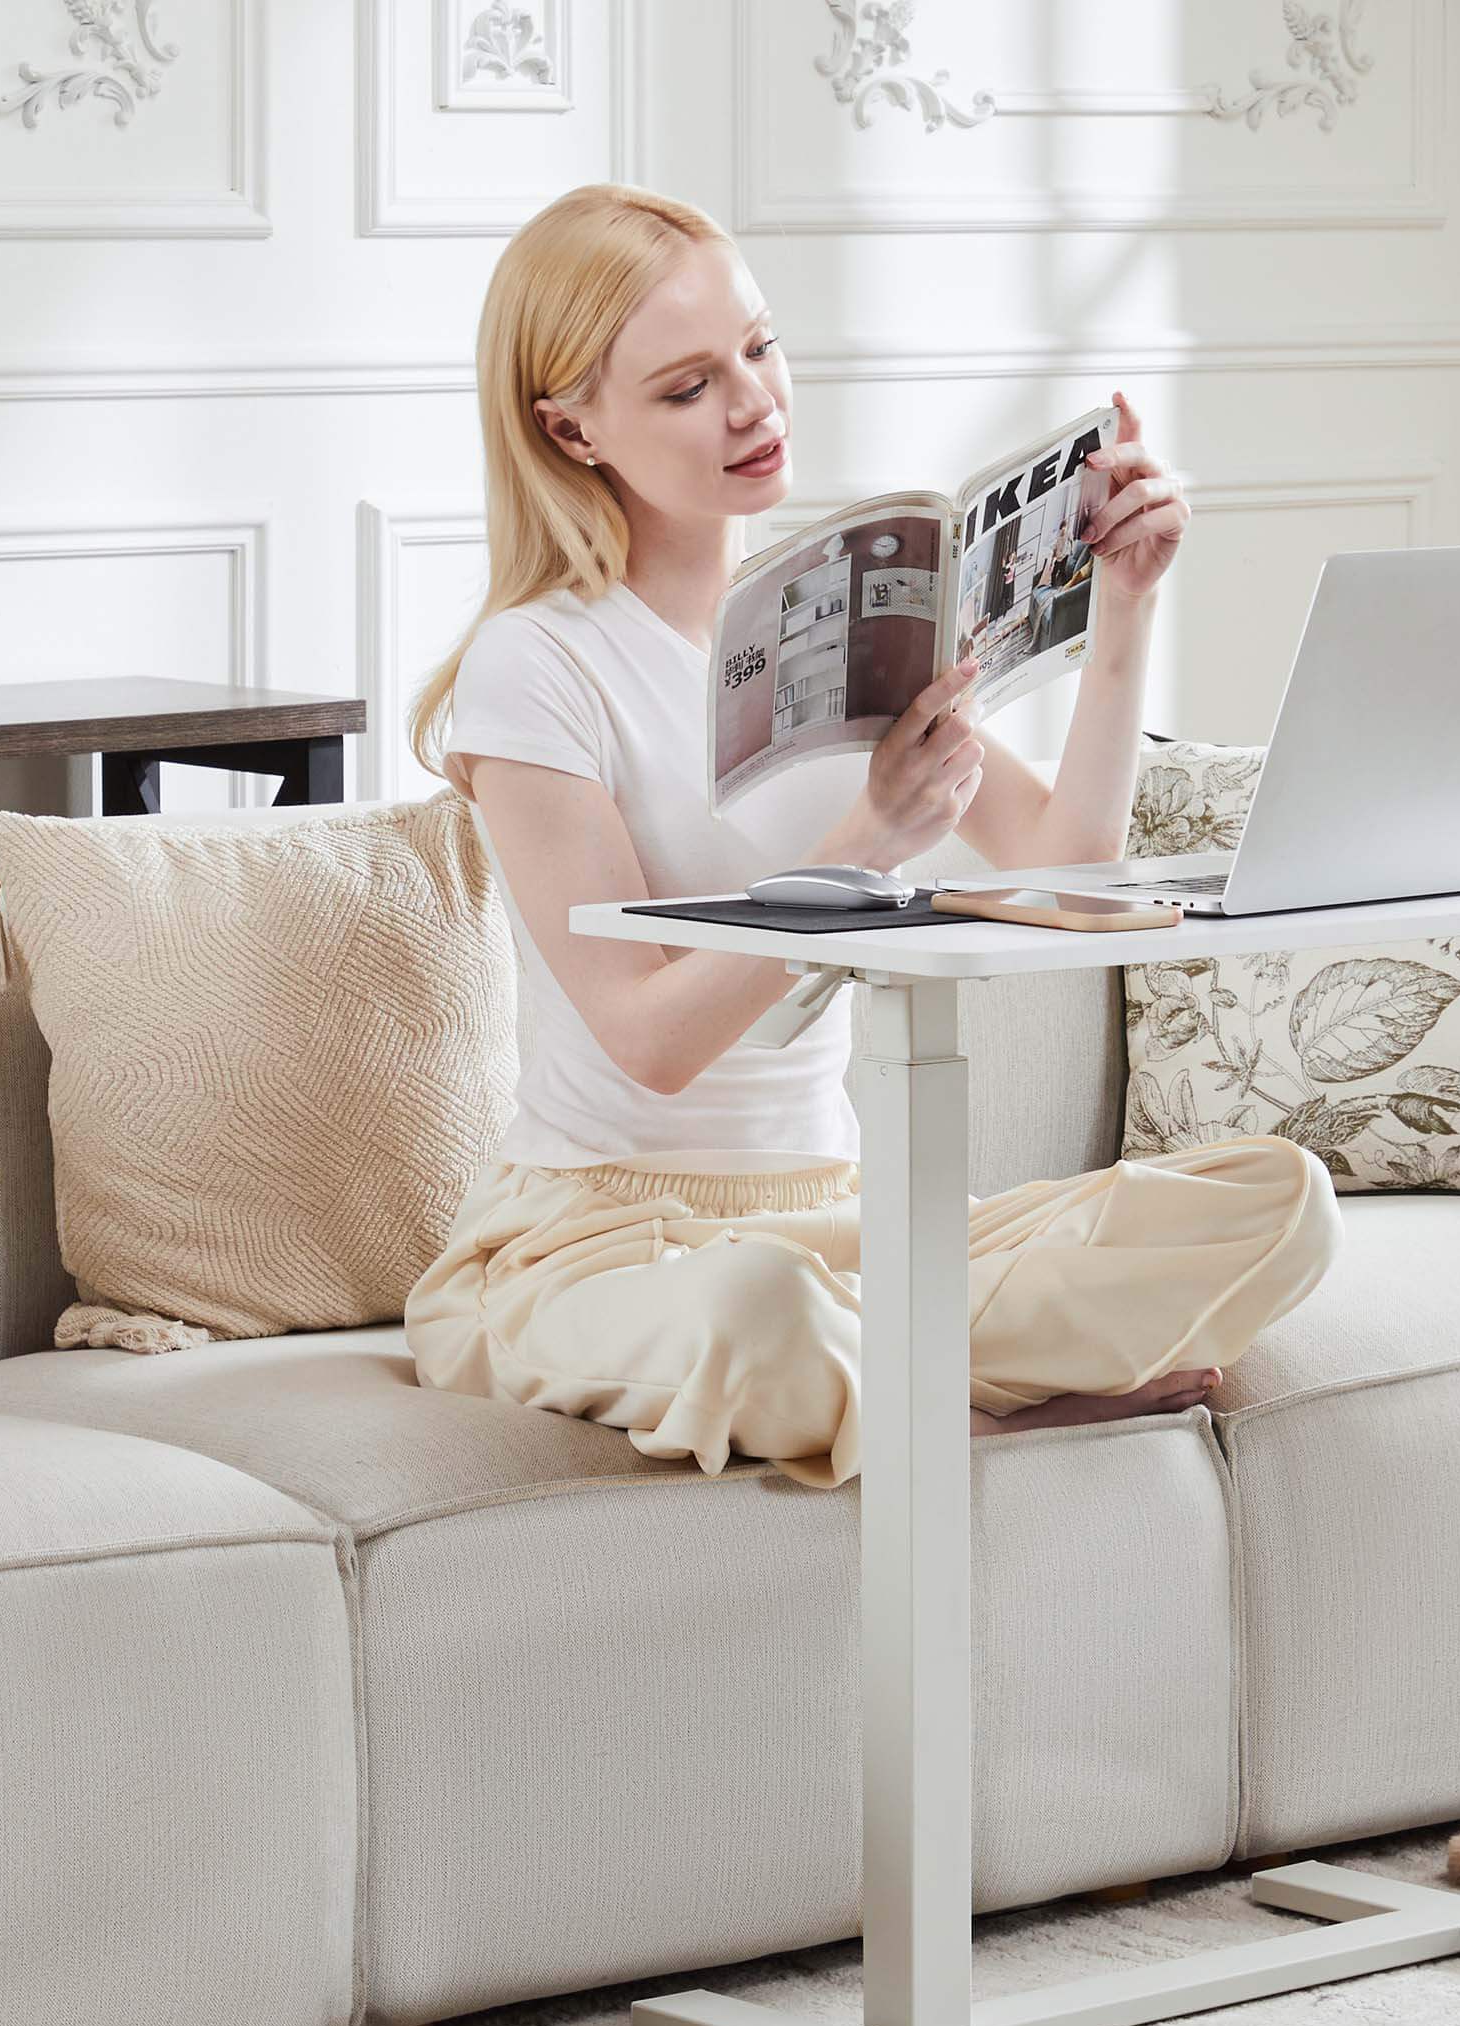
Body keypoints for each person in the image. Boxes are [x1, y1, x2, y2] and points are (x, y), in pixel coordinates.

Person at [400, 183, 1342, 1489]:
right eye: (685, 388)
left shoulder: (834, 620)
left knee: (1277, 1201)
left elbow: (1069, 866)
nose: (752, 403)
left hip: (840, 1219)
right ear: (571, 426)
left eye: (759, 347)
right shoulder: (537, 665)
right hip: (600, 1243)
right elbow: (648, 1039)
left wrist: (1124, 611)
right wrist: (861, 847)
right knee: (757, 1312)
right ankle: (962, 1420)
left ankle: (871, 1382)